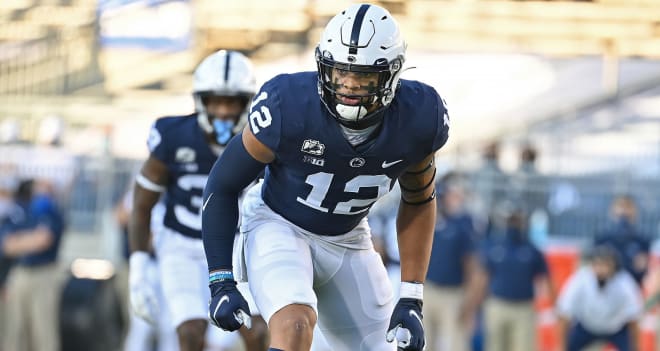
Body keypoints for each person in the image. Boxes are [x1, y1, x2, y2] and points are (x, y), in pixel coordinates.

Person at [201, 3, 450, 351]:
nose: (347, 85)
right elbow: (223, 184)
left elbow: (419, 199)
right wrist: (220, 279)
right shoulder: (287, 104)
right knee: (296, 325)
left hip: (348, 237)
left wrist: (412, 295)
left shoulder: (420, 117)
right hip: (278, 223)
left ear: (391, 75)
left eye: (362, 76)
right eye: (338, 72)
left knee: (387, 346)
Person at [128, 49, 269, 351]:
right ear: (200, 100)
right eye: (216, 100)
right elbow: (141, 206)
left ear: (247, 102)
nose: (223, 111)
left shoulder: (262, 139)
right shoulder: (173, 137)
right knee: (191, 334)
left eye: (232, 101)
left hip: (236, 247)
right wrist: (138, 268)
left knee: (256, 331)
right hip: (181, 245)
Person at [474, 204, 554, 351]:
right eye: (511, 220)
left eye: (517, 220)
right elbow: (483, 276)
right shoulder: (494, 247)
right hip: (497, 305)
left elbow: (546, 278)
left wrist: (551, 307)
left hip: (523, 308)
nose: (513, 224)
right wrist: (475, 304)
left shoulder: (532, 250)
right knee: (494, 346)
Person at [1, 179, 65, 351]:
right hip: (20, 273)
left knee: (43, 333)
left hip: (43, 274)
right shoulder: (20, 210)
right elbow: (7, 245)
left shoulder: (48, 209)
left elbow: (43, 239)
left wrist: (22, 240)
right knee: (15, 332)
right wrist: (29, 239)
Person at [424, 175, 480, 351]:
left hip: (453, 294)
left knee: (457, 343)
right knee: (424, 342)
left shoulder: (463, 225)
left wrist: (469, 301)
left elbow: (471, 265)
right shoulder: (427, 221)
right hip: (428, 290)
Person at [556, 245, 643, 351]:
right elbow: (565, 313)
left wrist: (636, 347)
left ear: (614, 267)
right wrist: (561, 347)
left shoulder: (625, 283)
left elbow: (633, 318)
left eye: (605, 265)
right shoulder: (581, 279)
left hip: (615, 329)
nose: (601, 270)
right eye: (597, 264)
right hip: (587, 327)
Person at [593, 194, 651, 286]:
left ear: (635, 211)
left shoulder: (643, 240)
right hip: (607, 288)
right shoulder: (602, 239)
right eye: (620, 206)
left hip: (634, 288)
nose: (624, 212)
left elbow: (644, 271)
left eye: (628, 207)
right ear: (612, 210)